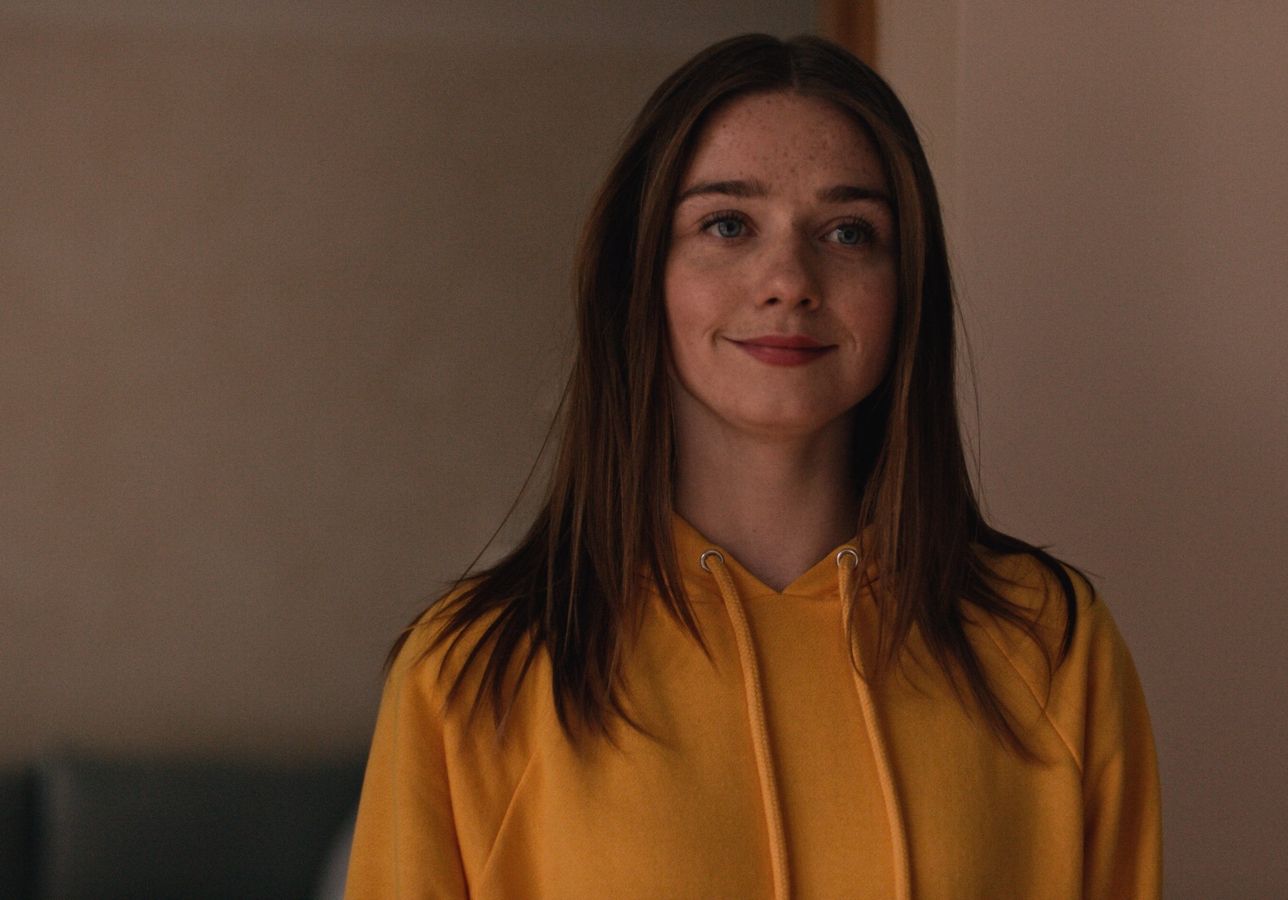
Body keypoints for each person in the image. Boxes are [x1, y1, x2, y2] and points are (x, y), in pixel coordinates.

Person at [345, 33, 1160, 900]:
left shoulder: (1052, 645)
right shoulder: (473, 671)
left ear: (906, 288)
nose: (788, 280)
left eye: (849, 231)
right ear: (641, 277)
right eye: (727, 224)